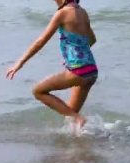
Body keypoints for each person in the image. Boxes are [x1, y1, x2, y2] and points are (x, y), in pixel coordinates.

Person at [6, 0, 97, 128]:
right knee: (70, 115)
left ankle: (79, 120)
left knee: (38, 91)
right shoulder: (82, 12)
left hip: (78, 71)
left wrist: (19, 63)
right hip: (92, 71)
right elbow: (92, 40)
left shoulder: (62, 13)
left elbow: (40, 41)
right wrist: (73, 55)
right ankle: (77, 143)